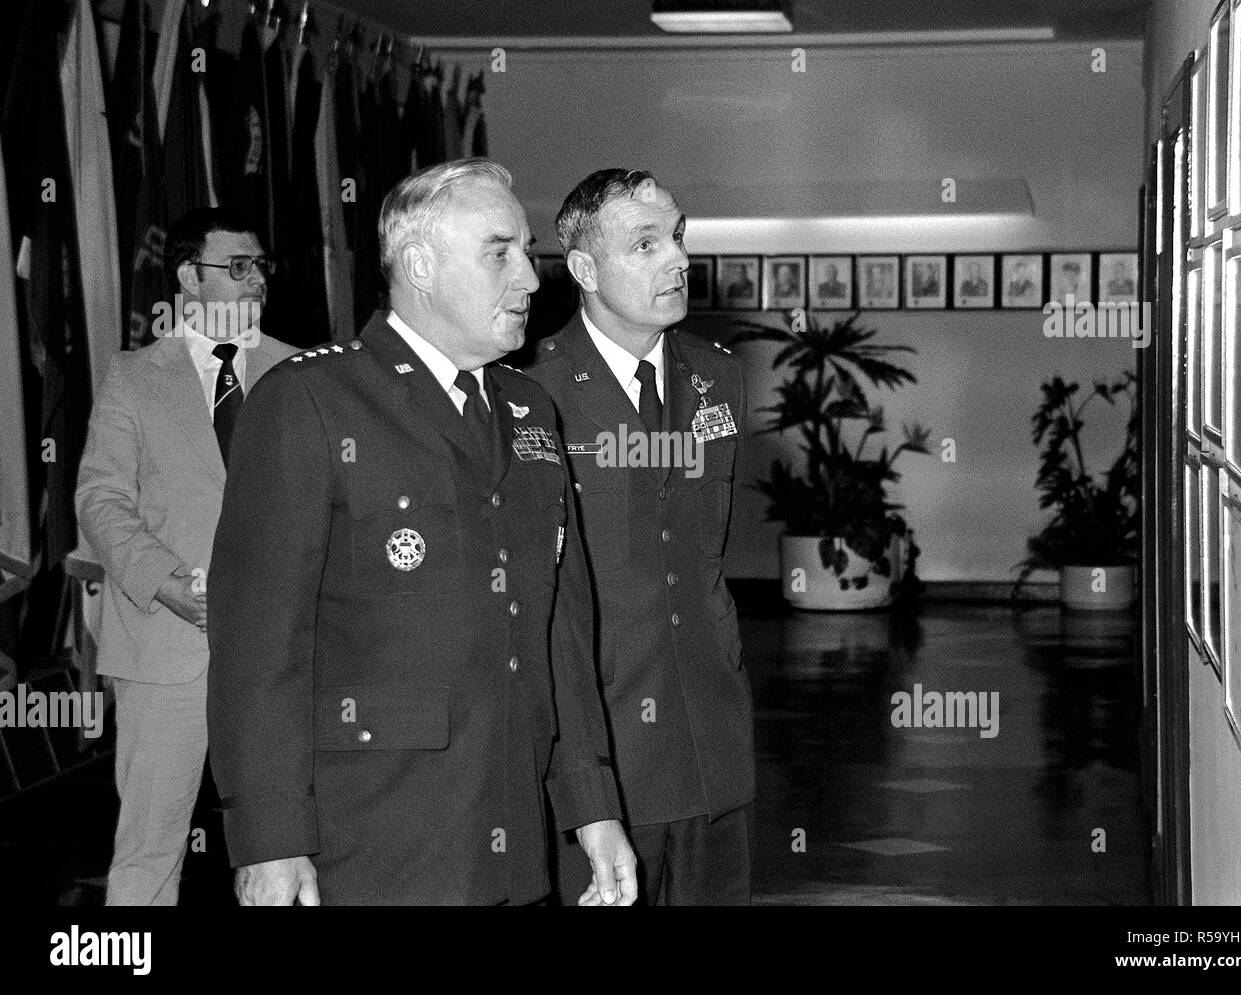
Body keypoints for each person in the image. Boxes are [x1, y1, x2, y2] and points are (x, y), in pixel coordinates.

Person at [205, 158, 636, 905]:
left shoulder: (530, 409)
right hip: (371, 840)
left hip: (510, 828)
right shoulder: (312, 400)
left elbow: (558, 629)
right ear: (420, 264)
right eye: (499, 251)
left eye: (526, 252)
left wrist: (593, 803)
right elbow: (257, 641)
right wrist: (270, 839)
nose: (531, 279)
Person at [525, 168, 755, 905]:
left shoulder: (718, 376)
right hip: (600, 747)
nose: (678, 259)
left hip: (712, 739)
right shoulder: (531, 390)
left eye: (679, 236)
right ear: (585, 270)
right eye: (646, 243)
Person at [75, 206, 296, 904]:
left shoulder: (298, 372)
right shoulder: (134, 376)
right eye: (237, 268)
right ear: (186, 278)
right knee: (149, 854)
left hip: (278, 652)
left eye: (260, 266)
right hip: (166, 647)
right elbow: (101, 501)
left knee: (285, 847)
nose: (255, 281)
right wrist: (166, 582)